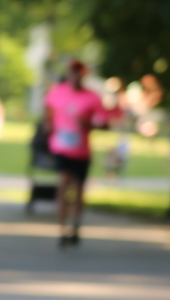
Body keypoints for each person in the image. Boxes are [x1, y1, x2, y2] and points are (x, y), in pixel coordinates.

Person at [43, 58, 116, 246]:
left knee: (78, 190)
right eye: (71, 71)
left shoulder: (92, 97)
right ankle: (62, 228)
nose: (74, 75)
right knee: (63, 184)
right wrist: (49, 126)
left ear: (83, 75)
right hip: (61, 147)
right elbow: (48, 113)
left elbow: (105, 123)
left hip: (81, 151)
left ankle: (75, 226)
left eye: (78, 72)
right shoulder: (57, 92)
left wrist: (88, 124)